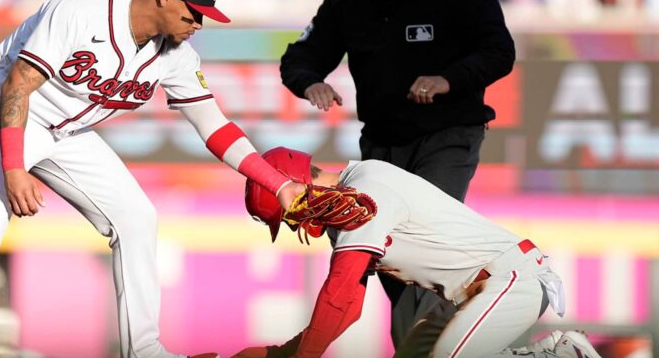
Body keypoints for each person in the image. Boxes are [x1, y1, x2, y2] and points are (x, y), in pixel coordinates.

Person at [0, 0, 305, 357]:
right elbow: (18, 84)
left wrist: (278, 185)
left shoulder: (176, 55)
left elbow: (215, 127)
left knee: (137, 217)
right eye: (194, 13)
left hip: (66, 130)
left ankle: (143, 350)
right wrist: (13, 167)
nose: (199, 24)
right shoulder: (80, 10)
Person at [279, 0, 517, 349]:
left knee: (423, 239)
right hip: (382, 144)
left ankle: (417, 347)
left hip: (448, 135)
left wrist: (449, 80)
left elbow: (499, 51)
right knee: (390, 258)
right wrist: (309, 81)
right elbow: (300, 56)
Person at [236, 147, 603, 358]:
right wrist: (286, 353)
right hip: (472, 293)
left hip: (510, 279)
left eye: (289, 212)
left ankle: (562, 354)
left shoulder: (363, 192)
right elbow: (347, 310)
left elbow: (339, 291)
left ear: (300, 184)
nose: (295, 224)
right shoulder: (344, 209)